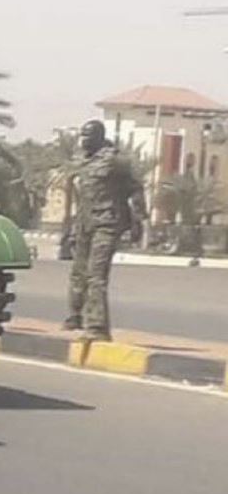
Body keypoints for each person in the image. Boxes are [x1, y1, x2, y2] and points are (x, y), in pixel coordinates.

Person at [63, 119, 146, 341]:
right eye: (82, 135)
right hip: (84, 222)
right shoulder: (81, 159)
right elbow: (79, 193)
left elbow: (135, 188)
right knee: (78, 271)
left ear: (100, 137)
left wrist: (139, 219)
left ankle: (98, 327)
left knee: (96, 275)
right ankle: (75, 315)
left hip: (107, 222)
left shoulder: (115, 161)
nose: (84, 140)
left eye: (88, 135)